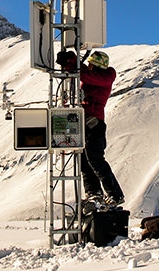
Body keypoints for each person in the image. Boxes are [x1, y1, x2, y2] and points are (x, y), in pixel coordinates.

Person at [56, 50, 125, 207]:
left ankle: (115, 194)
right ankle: (94, 193)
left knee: (95, 158)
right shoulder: (94, 76)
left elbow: (84, 75)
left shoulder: (106, 76)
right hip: (84, 122)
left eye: (91, 64)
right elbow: (82, 74)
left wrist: (73, 62)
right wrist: (70, 64)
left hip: (94, 124)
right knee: (84, 161)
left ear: (97, 65)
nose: (89, 66)